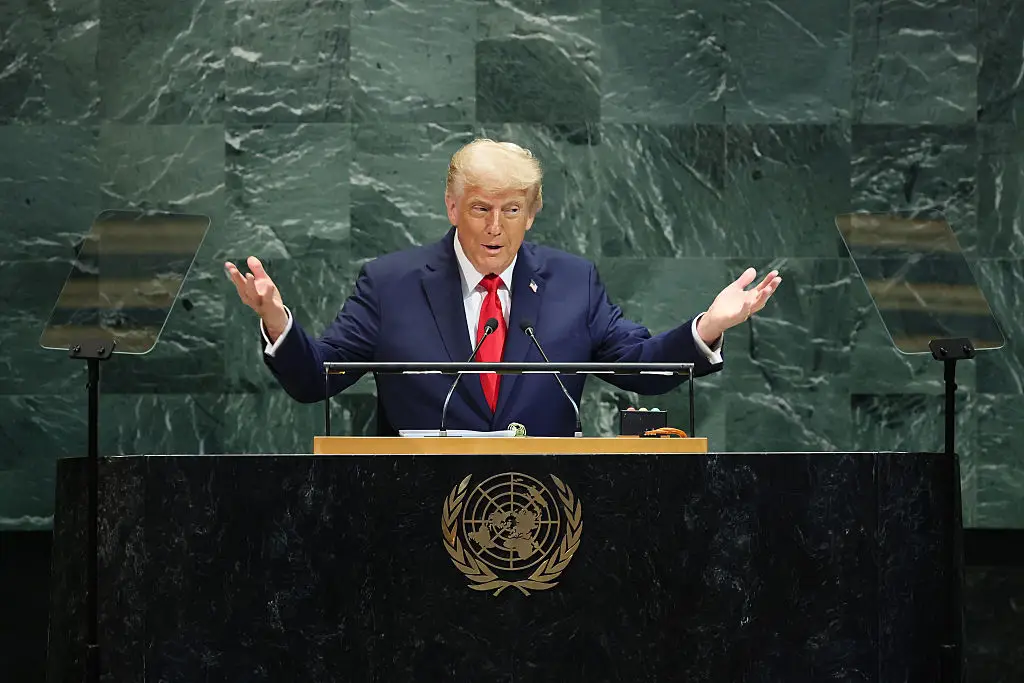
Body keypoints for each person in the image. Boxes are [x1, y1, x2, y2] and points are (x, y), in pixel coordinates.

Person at [225, 139, 781, 436]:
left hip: (550, 512)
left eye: (512, 209)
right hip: (409, 513)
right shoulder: (391, 283)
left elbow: (638, 366)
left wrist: (708, 327)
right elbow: (316, 379)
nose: (495, 226)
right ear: (451, 208)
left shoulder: (572, 282)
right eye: (480, 209)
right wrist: (276, 320)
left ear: (532, 214)